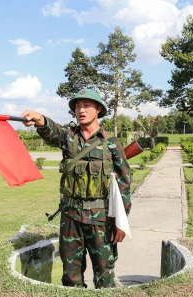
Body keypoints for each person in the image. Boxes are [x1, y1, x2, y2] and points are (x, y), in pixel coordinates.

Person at [21, 89, 131, 288]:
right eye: (78, 106)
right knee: (71, 278)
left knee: (104, 277)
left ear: (98, 109)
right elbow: (52, 130)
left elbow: (124, 184)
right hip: (70, 218)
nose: (81, 110)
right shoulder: (69, 138)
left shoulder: (112, 144)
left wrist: (121, 222)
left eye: (87, 105)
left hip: (101, 220)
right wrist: (39, 118)